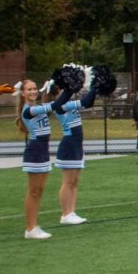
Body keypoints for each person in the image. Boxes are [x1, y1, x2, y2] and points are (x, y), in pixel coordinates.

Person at [17, 79, 72, 239]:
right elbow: (55, 105)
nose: (33, 91)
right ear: (22, 93)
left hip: (43, 152)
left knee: (39, 191)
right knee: (33, 191)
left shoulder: (37, 107)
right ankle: (30, 228)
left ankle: (33, 226)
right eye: (29, 89)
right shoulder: (28, 110)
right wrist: (70, 88)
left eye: (35, 88)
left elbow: (54, 102)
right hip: (35, 152)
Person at [52, 80, 98, 225]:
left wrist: (96, 86)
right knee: (67, 181)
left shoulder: (68, 104)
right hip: (69, 145)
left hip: (77, 145)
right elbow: (86, 100)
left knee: (74, 181)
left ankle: (71, 211)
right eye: (62, 89)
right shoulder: (59, 106)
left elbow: (88, 101)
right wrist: (95, 85)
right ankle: (65, 214)